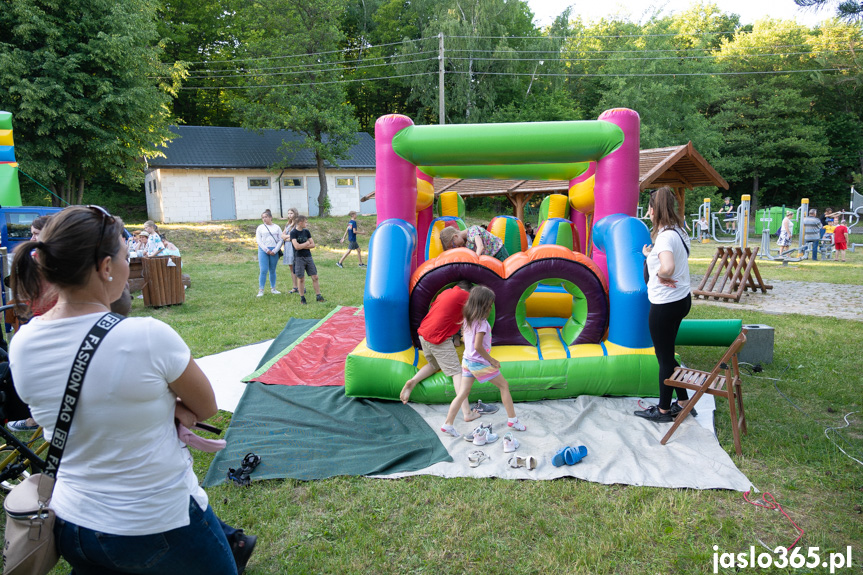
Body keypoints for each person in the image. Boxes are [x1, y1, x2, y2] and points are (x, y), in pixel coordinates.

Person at [7, 205, 255, 574]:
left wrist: (155, 403)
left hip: (75, 524)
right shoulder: (146, 336)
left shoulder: (22, 343)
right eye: (127, 256)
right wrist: (170, 404)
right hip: (157, 521)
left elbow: (89, 403)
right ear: (106, 267)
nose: (129, 265)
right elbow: (205, 406)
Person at [634, 187, 695, 423]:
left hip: (665, 305)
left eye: (649, 208)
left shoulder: (666, 236)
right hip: (680, 300)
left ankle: (662, 410)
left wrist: (661, 274)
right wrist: (648, 254)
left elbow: (668, 266)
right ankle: (682, 401)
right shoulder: (677, 231)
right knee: (667, 354)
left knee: (664, 358)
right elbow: (669, 257)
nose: (648, 212)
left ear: (654, 209)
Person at [400, 281, 494, 420]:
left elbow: (446, 315)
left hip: (423, 334)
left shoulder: (445, 293)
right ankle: (467, 412)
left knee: (435, 365)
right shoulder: (465, 296)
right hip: (438, 338)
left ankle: (413, 381)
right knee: (457, 372)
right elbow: (477, 313)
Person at [440, 285, 526, 437]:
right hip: (478, 362)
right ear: (483, 306)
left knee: (462, 394)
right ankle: (513, 419)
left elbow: (470, 344)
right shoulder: (482, 324)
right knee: (504, 386)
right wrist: (492, 360)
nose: (491, 308)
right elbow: (478, 346)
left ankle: (448, 424)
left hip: (467, 361)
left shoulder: (467, 320)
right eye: (490, 305)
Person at [289, 215, 324, 304]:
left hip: (308, 257)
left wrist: (303, 245)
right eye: (306, 222)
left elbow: (313, 245)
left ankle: (318, 296)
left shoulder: (306, 231)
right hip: (299, 258)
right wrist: (307, 243)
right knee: (301, 278)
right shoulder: (293, 233)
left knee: (315, 277)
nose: (307, 223)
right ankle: (302, 298)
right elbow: (296, 247)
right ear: (300, 222)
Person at [439, 225, 509, 261]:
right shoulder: (465, 244)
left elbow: (480, 247)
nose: (457, 248)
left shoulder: (472, 230)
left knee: (507, 274)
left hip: (499, 252)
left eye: (454, 245)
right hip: (490, 257)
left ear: (455, 236)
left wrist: (474, 261)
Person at [255, 209, 283, 297]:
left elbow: (281, 239)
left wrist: (275, 250)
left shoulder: (277, 227)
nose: (264, 219)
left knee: (272, 269)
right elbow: (259, 240)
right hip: (263, 250)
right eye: (263, 217)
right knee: (263, 270)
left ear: (270, 217)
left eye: (266, 217)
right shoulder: (260, 227)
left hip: (274, 250)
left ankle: (273, 288)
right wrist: (266, 250)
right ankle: (261, 289)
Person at [280, 207, 300, 294]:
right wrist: (289, 237)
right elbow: (282, 235)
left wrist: (289, 237)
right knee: (291, 267)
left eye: (291, 213)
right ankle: (294, 286)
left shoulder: (297, 224)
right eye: (288, 213)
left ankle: (300, 286)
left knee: (297, 267)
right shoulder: (288, 224)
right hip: (287, 247)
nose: (289, 215)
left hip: (294, 247)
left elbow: (296, 236)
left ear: (295, 214)